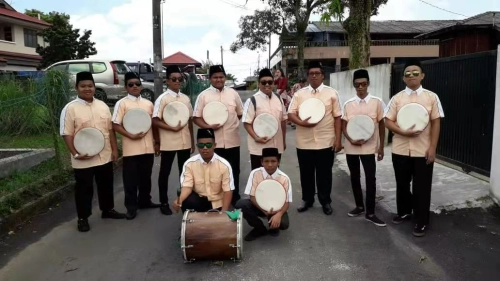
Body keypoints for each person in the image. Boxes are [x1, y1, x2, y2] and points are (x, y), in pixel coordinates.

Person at [384, 58, 444, 237]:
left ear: (422, 75)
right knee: (402, 184)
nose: (411, 76)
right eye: (408, 74)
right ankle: (404, 212)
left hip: (423, 150)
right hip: (400, 150)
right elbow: (388, 121)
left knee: (422, 187)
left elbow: (436, 123)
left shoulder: (431, 97)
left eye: (415, 73)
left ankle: (421, 220)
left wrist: (432, 148)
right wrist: (403, 131)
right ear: (403, 78)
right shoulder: (397, 98)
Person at [60, 71, 125, 232]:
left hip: (104, 155)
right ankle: (83, 218)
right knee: (84, 189)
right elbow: (66, 134)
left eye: (90, 86)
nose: (87, 89)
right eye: (83, 86)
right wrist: (75, 153)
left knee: (106, 184)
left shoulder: (102, 106)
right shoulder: (70, 109)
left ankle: (107, 210)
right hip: (83, 157)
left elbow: (110, 130)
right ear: (77, 88)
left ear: (94, 87)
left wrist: (115, 149)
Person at [287, 61, 343, 215]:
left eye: (317, 73)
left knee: (324, 174)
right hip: (304, 142)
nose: (314, 76)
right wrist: (301, 123)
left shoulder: (332, 93)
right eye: (311, 73)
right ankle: (307, 200)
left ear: (322, 75)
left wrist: (338, 140)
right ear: (308, 76)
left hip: (326, 141)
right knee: (306, 173)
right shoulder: (299, 94)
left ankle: (325, 201)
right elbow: (290, 113)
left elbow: (338, 117)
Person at [111, 72, 160, 220]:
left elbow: (154, 124)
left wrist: (157, 142)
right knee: (131, 179)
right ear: (126, 87)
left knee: (146, 176)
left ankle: (145, 201)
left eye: (137, 84)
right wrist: (130, 135)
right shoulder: (122, 103)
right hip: (131, 148)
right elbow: (115, 125)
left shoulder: (148, 104)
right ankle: (131, 207)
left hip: (148, 147)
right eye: (131, 84)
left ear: (141, 86)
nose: (134, 87)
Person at [193, 65, 244, 206]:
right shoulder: (203, 96)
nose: (218, 79)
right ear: (210, 79)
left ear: (225, 78)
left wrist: (231, 124)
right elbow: (196, 118)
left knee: (233, 170)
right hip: (212, 142)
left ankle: (234, 197)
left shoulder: (233, 94)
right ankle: (217, 199)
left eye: (221, 77)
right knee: (215, 171)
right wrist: (208, 127)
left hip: (232, 140)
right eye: (215, 77)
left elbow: (240, 113)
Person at [341, 69, 386, 227]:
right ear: (353, 85)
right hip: (352, 147)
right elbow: (343, 126)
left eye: (363, 84)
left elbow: (381, 124)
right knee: (354, 176)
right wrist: (350, 139)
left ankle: (371, 212)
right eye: (357, 84)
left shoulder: (377, 102)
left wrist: (381, 147)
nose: (360, 87)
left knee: (370, 179)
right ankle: (359, 206)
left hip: (369, 148)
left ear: (368, 84)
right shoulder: (348, 104)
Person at [153, 65, 194, 215]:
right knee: (165, 172)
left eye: (180, 79)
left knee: (185, 173)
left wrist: (192, 141)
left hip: (184, 141)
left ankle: (184, 200)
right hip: (168, 141)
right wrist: (170, 128)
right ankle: (163, 202)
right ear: (167, 81)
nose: (177, 82)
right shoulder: (162, 99)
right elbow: (155, 120)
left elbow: (189, 120)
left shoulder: (185, 98)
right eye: (174, 79)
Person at [172, 128, 234, 213]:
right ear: (197, 146)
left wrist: (223, 213)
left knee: (216, 224)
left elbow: (228, 191)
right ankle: (188, 225)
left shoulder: (224, 165)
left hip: (217, 203)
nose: (205, 148)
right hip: (198, 201)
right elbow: (187, 186)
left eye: (208, 145)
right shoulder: (189, 164)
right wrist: (179, 200)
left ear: (214, 145)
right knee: (186, 200)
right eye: (201, 145)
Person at [235, 147, 291, 241]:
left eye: (273, 161)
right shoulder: (255, 173)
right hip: (258, 205)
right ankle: (259, 228)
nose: (270, 164)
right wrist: (264, 211)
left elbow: (287, 201)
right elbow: (252, 196)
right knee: (240, 205)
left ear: (278, 162)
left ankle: (273, 226)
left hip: (276, 208)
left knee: (284, 224)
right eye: (266, 161)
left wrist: (279, 214)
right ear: (262, 162)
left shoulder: (284, 178)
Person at [242, 68, 287, 170]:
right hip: (259, 148)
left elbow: (283, 120)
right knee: (259, 178)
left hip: (276, 146)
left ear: (273, 83)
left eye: (270, 82)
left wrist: (283, 141)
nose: (267, 85)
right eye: (264, 82)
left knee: (274, 177)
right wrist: (256, 137)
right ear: (259, 84)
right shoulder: (252, 100)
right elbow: (246, 123)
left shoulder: (278, 98)